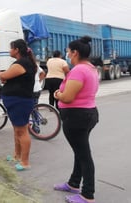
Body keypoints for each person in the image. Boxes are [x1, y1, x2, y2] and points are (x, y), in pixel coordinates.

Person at [52, 36, 99, 203]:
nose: (67, 55)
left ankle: (87, 195)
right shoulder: (91, 68)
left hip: (77, 117)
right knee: (80, 152)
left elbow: (68, 97)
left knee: (84, 155)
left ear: (75, 53)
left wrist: (57, 94)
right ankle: (73, 183)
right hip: (88, 113)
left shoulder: (79, 70)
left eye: (68, 52)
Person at [0, 39, 36, 171]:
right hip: (16, 100)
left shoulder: (21, 64)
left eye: (11, 48)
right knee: (17, 129)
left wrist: (1, 74)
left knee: (22, 131)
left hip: (20, 100)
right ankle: (17, 155)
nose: (9, 51)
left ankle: (25, 162)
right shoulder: (22, 63)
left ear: (17, 50)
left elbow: (5, 75)